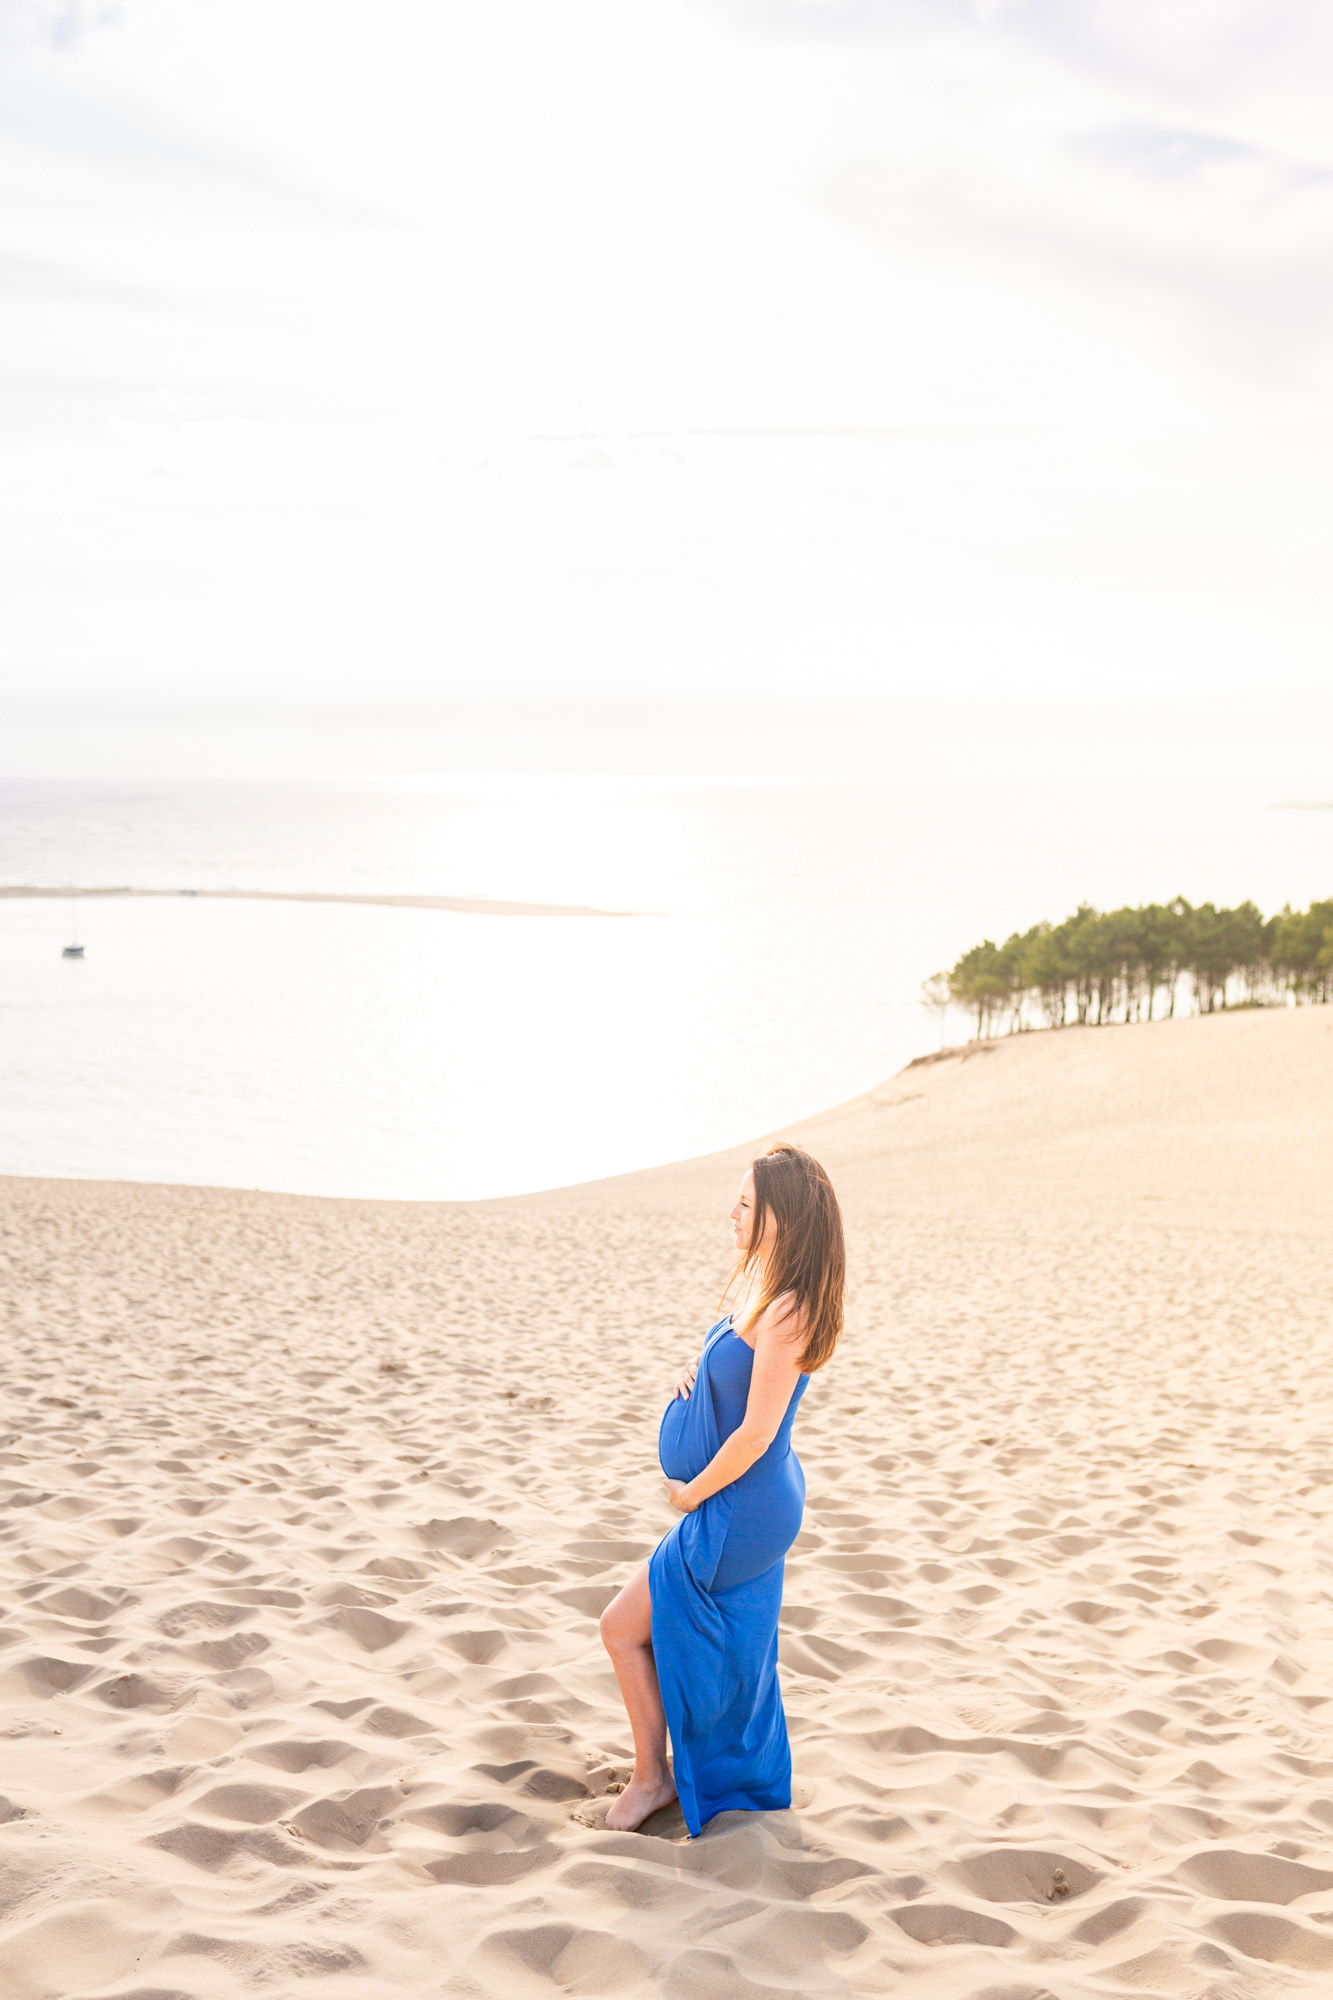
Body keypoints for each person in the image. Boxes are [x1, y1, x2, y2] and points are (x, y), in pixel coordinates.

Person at [598, 1142, 845, 1836]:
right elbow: (735, 1372)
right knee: (731, 1644)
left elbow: (755, 1434)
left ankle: (654, 1779)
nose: (730, 1214)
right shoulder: (766, 1287)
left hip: (741, 1505)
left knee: (620, 1627)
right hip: (747, 1501)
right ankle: (704, 1772)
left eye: (744, 1204)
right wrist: (696, 1372)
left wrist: (689, 1495)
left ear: (779, 1218)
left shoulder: (789, 1309)